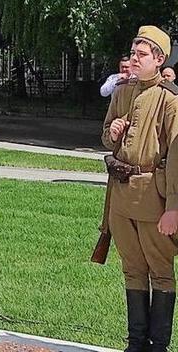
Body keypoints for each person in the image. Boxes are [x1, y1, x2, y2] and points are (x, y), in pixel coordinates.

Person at [101, 26, 178, 352]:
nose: (134, 59)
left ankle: (157, 346)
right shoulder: (122, 91)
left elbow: (176, 156)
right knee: (132, 269)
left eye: (141, 54)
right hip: (121, 195)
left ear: (159, 59)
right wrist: (113, 132)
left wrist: (173, 206)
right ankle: (136, 344)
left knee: (160, 272)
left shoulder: (169, 99)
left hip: (154, 198)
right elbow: (105, 137)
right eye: (133, 53)